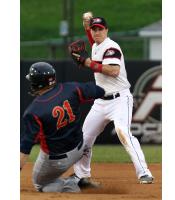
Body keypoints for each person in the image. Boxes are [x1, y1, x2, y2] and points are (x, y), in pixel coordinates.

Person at [71, 14, 154, 186]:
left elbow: (113, 70)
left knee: (122, 131)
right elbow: (93, 41)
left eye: (100, 29)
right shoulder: (95, 45)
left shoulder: (111, 47)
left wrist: (87, 62)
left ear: (106, 30)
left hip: (120, 99)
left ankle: (144, 173)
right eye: (94, 29)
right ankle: (81, 175)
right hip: (100, 101)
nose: (96, 32)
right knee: (84, 137)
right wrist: (87, 24)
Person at [20, 62, 105, 193]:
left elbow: (25, 148)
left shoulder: (34, 111)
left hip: (56, 161)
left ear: (36, 83)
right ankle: (78, 180)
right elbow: (99, 91)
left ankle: (75, 184)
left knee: (41, 185)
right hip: (80, 149)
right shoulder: (71, 88)